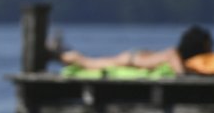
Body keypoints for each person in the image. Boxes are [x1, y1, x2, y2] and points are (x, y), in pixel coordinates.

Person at [51, 25, 212, 75]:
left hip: (135, 57)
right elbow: (181, 74)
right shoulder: (174, 54)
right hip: (132, 59)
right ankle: (59, 53)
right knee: (88, 62)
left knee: (89, 61)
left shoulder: (178, 56)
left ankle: (62, 51)